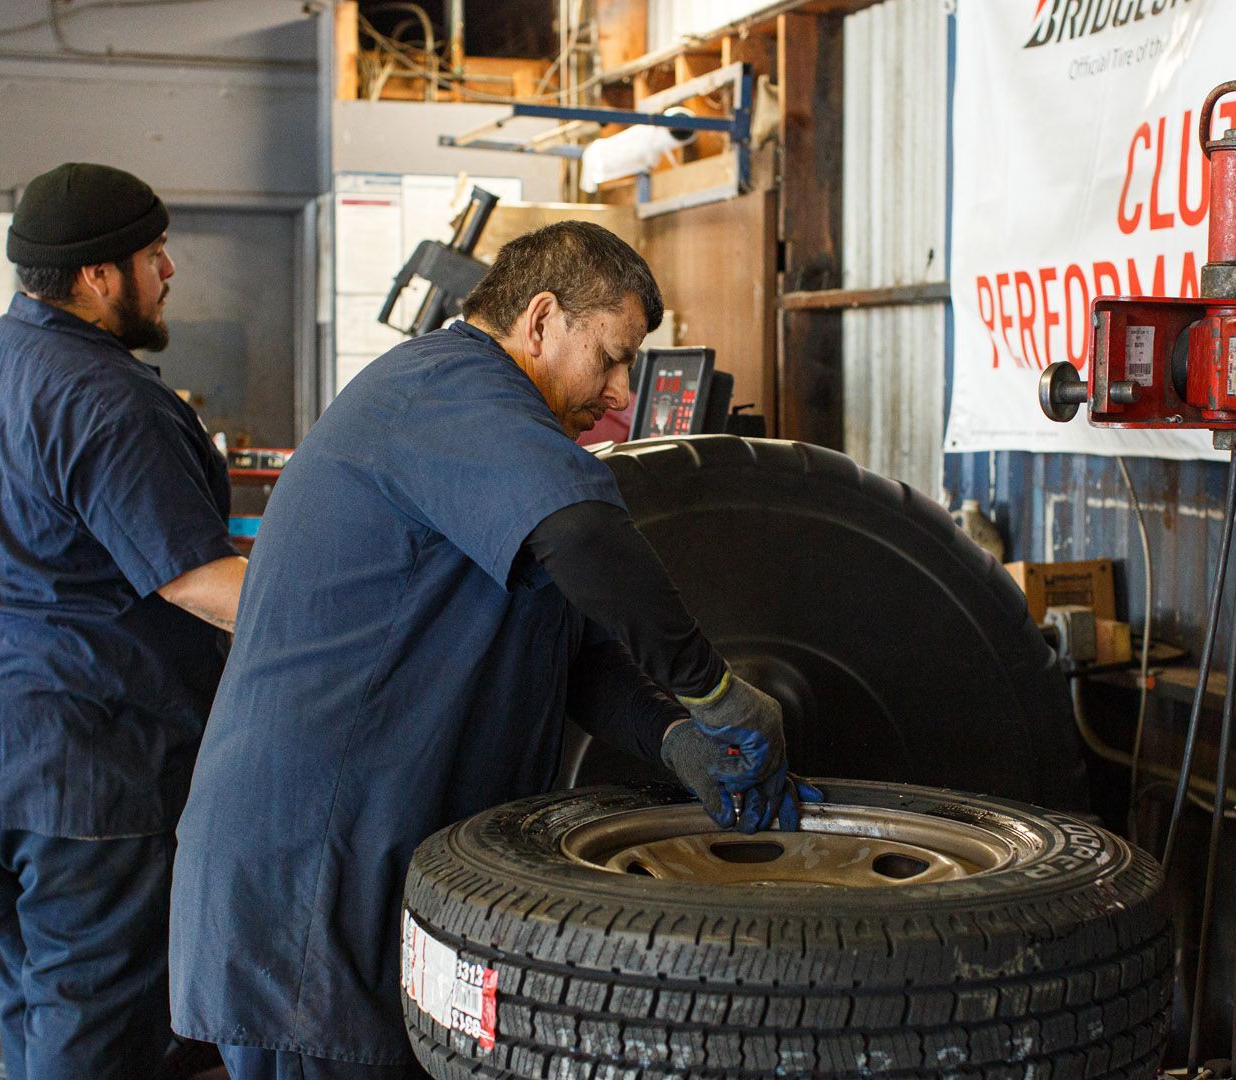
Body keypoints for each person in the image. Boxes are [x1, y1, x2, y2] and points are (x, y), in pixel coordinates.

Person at [169, 221, 819, 1079]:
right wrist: (714, 692)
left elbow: (571, 645)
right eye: (613, 357)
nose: (623, 394)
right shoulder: (452, 392)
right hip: (314, 878)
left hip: (381, 862)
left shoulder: (483, 429)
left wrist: (676, 738)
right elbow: (589, 541)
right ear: (541, 320)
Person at [0, 162, 247, 1078]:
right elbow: (198, 582)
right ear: (101, 276)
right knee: (100, 1031)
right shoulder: (109, 401)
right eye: (154, 254)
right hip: (92, 766)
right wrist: (342, 615)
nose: (170, 270)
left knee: (31, 1001)